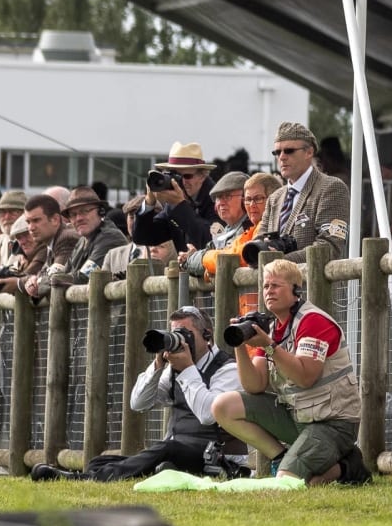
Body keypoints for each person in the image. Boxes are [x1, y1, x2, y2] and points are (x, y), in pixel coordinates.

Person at [31, 306, 246, 481]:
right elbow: (138, 403)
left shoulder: (227, 369)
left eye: (185, 334)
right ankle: (159, 470)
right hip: (179, 450)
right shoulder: (174, 368)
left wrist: (188, 368)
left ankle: (86, 479)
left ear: (207, 335)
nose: (180, 340)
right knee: (99, 461)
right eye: (175, 334)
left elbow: (208, 415)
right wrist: (157, 365)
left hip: (217, 457)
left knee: (166, 448)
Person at [212, 258, 369, 485]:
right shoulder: (271, 329)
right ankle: (281, 456)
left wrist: (268, 346)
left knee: (288, 481)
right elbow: (254, 385)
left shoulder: (313, 321)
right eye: (266, 286)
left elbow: (305, 377)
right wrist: (241, 346)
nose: (269, 291)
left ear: (296, 290)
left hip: (333, 423)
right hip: (299, 418)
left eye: (276, 285)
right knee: (223, 406)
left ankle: (346, 468)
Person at [258, 122, 350, 263]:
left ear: (309, 152)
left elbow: (329, 247)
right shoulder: (274, 198)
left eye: (289, 151)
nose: (281, 157)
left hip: (312, 284)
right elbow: (259, 242)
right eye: (277, 152)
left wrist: (277, 262)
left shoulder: (332, 188)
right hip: (273, 283)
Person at [132, 141, 221, 251]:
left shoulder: (218, 201)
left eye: (187, 176)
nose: (181, 182)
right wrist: (149, 202)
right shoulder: (173, 206)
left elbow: (211, 240)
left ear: (202, 176)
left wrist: (180, 205)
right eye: (175, 176)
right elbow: (142, 237)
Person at [181, 171, 254, 278]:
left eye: (228, 196)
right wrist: (191, 258)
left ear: (245, 199)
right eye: (218, 198)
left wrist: (190, 259)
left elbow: (220, 259)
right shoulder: (225, 231)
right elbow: (208, 255)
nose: (221, 203)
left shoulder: (250, 227)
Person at [63, 184, 128, 283]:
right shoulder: (82, 241)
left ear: (101, 211)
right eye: (73, 214)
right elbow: (64, 274)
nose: (78, 218)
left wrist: (47, 282)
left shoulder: (110, 237)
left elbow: (84, 277)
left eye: (84, 211)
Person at [20, 194, 79, 299]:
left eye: (36, 220)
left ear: (55, 220)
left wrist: (34, 281)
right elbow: (45, 275)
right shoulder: (51, 242)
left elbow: (54, 277)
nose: (30, 228)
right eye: (28, 222)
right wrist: (35, 279)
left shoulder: (66, 238)